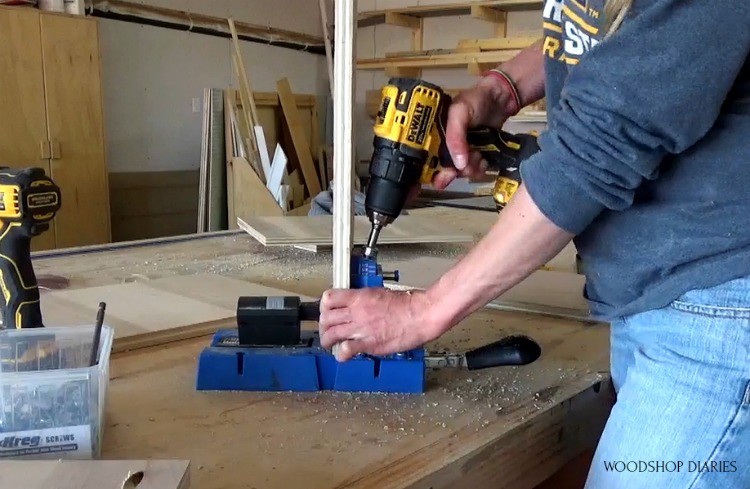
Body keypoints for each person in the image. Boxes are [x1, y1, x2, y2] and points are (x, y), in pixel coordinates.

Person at [320, 0, 750, 487]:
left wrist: (424, 311)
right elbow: (597, 25)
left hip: (718, 310)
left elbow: (601, 145)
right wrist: (502, 88)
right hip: (651, 295)